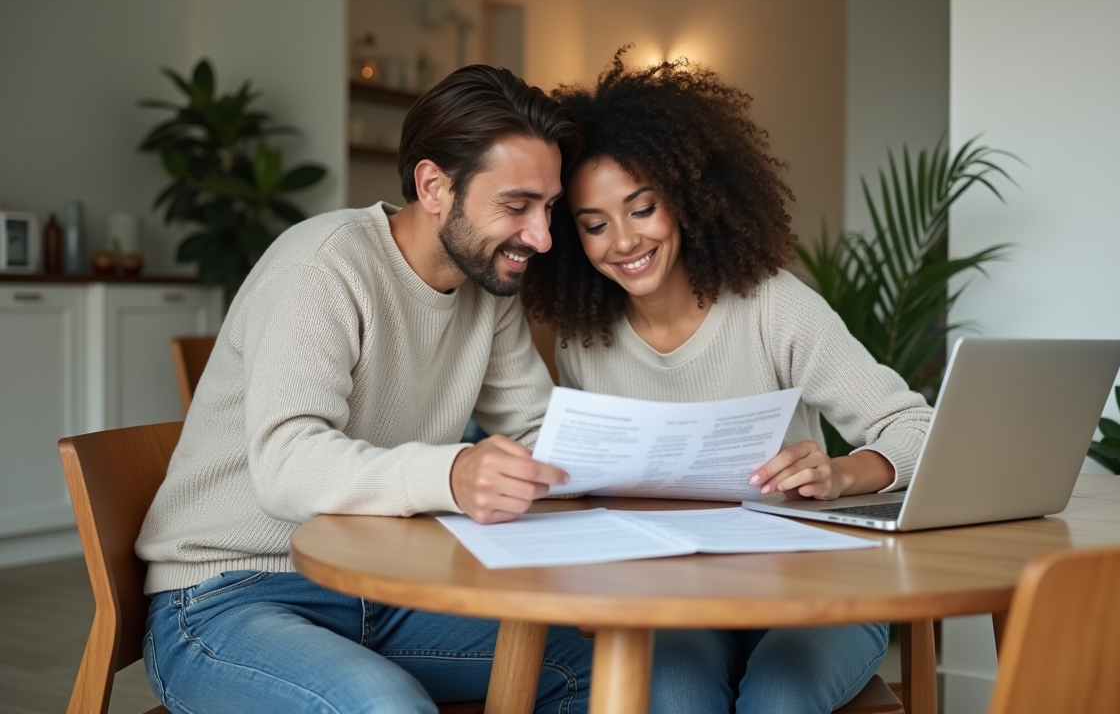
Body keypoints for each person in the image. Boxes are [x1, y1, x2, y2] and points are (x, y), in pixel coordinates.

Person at [135, 65, 592, 714]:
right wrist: (454, 474)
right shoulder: (323, 266)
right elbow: (286, 466)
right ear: (434, 186)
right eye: (516, 206)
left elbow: (537, 430)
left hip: (382, 587)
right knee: (384, 705)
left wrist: (652, 458)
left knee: (597, 665)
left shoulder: (487, 288)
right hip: (228, 595)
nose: (541, 236)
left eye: (547, 208)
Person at [522, 50, 933, 714]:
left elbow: (915, 428)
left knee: (779, 697)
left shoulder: (773, 306)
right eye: (594, 225)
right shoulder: (584, 337)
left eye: (642, 209)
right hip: (678, 596)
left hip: (814, 588)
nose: (622, 241)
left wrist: (839, 473)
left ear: (686, 199)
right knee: (670, 696)